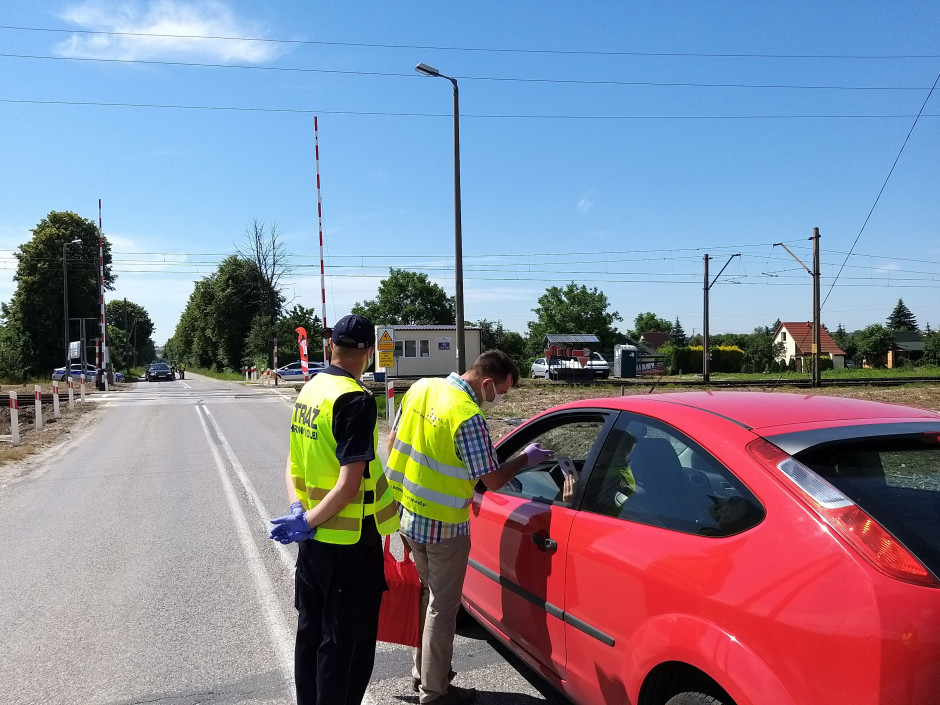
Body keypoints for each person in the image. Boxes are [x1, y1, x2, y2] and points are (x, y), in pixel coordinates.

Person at [385, 350, 554, 705]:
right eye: (501, 392)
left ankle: (423, 675)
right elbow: (491, 480)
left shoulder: (422, 388)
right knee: (442, 610)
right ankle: (435, 693)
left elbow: (393, 441)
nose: (499, 399)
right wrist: (526, 458)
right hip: (444, 527)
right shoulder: (467, 416)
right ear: (488, 382)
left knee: (428, 598)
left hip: (407, 515)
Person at [268, 314, 400, 705]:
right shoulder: (354, 399)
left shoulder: (311, 390)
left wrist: (299, 514)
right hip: (349, 545)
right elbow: (349, 485)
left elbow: (292, 462)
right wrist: (307, 520)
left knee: (310, 636)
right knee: (345, 649)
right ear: (369, 352)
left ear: (331, 348)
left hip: (313, 546)